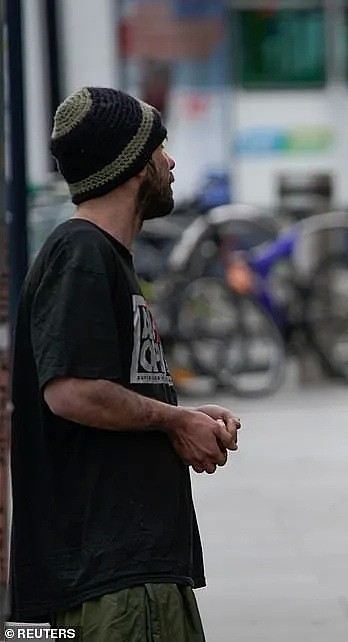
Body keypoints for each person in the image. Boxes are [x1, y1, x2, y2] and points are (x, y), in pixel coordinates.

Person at [10, 87, 241, 640]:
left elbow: (103, 391)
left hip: (126, 579)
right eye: (161, 148)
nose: (171, 161)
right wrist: (173, 421)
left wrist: (180, 413)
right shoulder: (82, 255)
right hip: (115, 586)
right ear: (134, 166)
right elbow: (70, 392)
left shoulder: (103, 258)